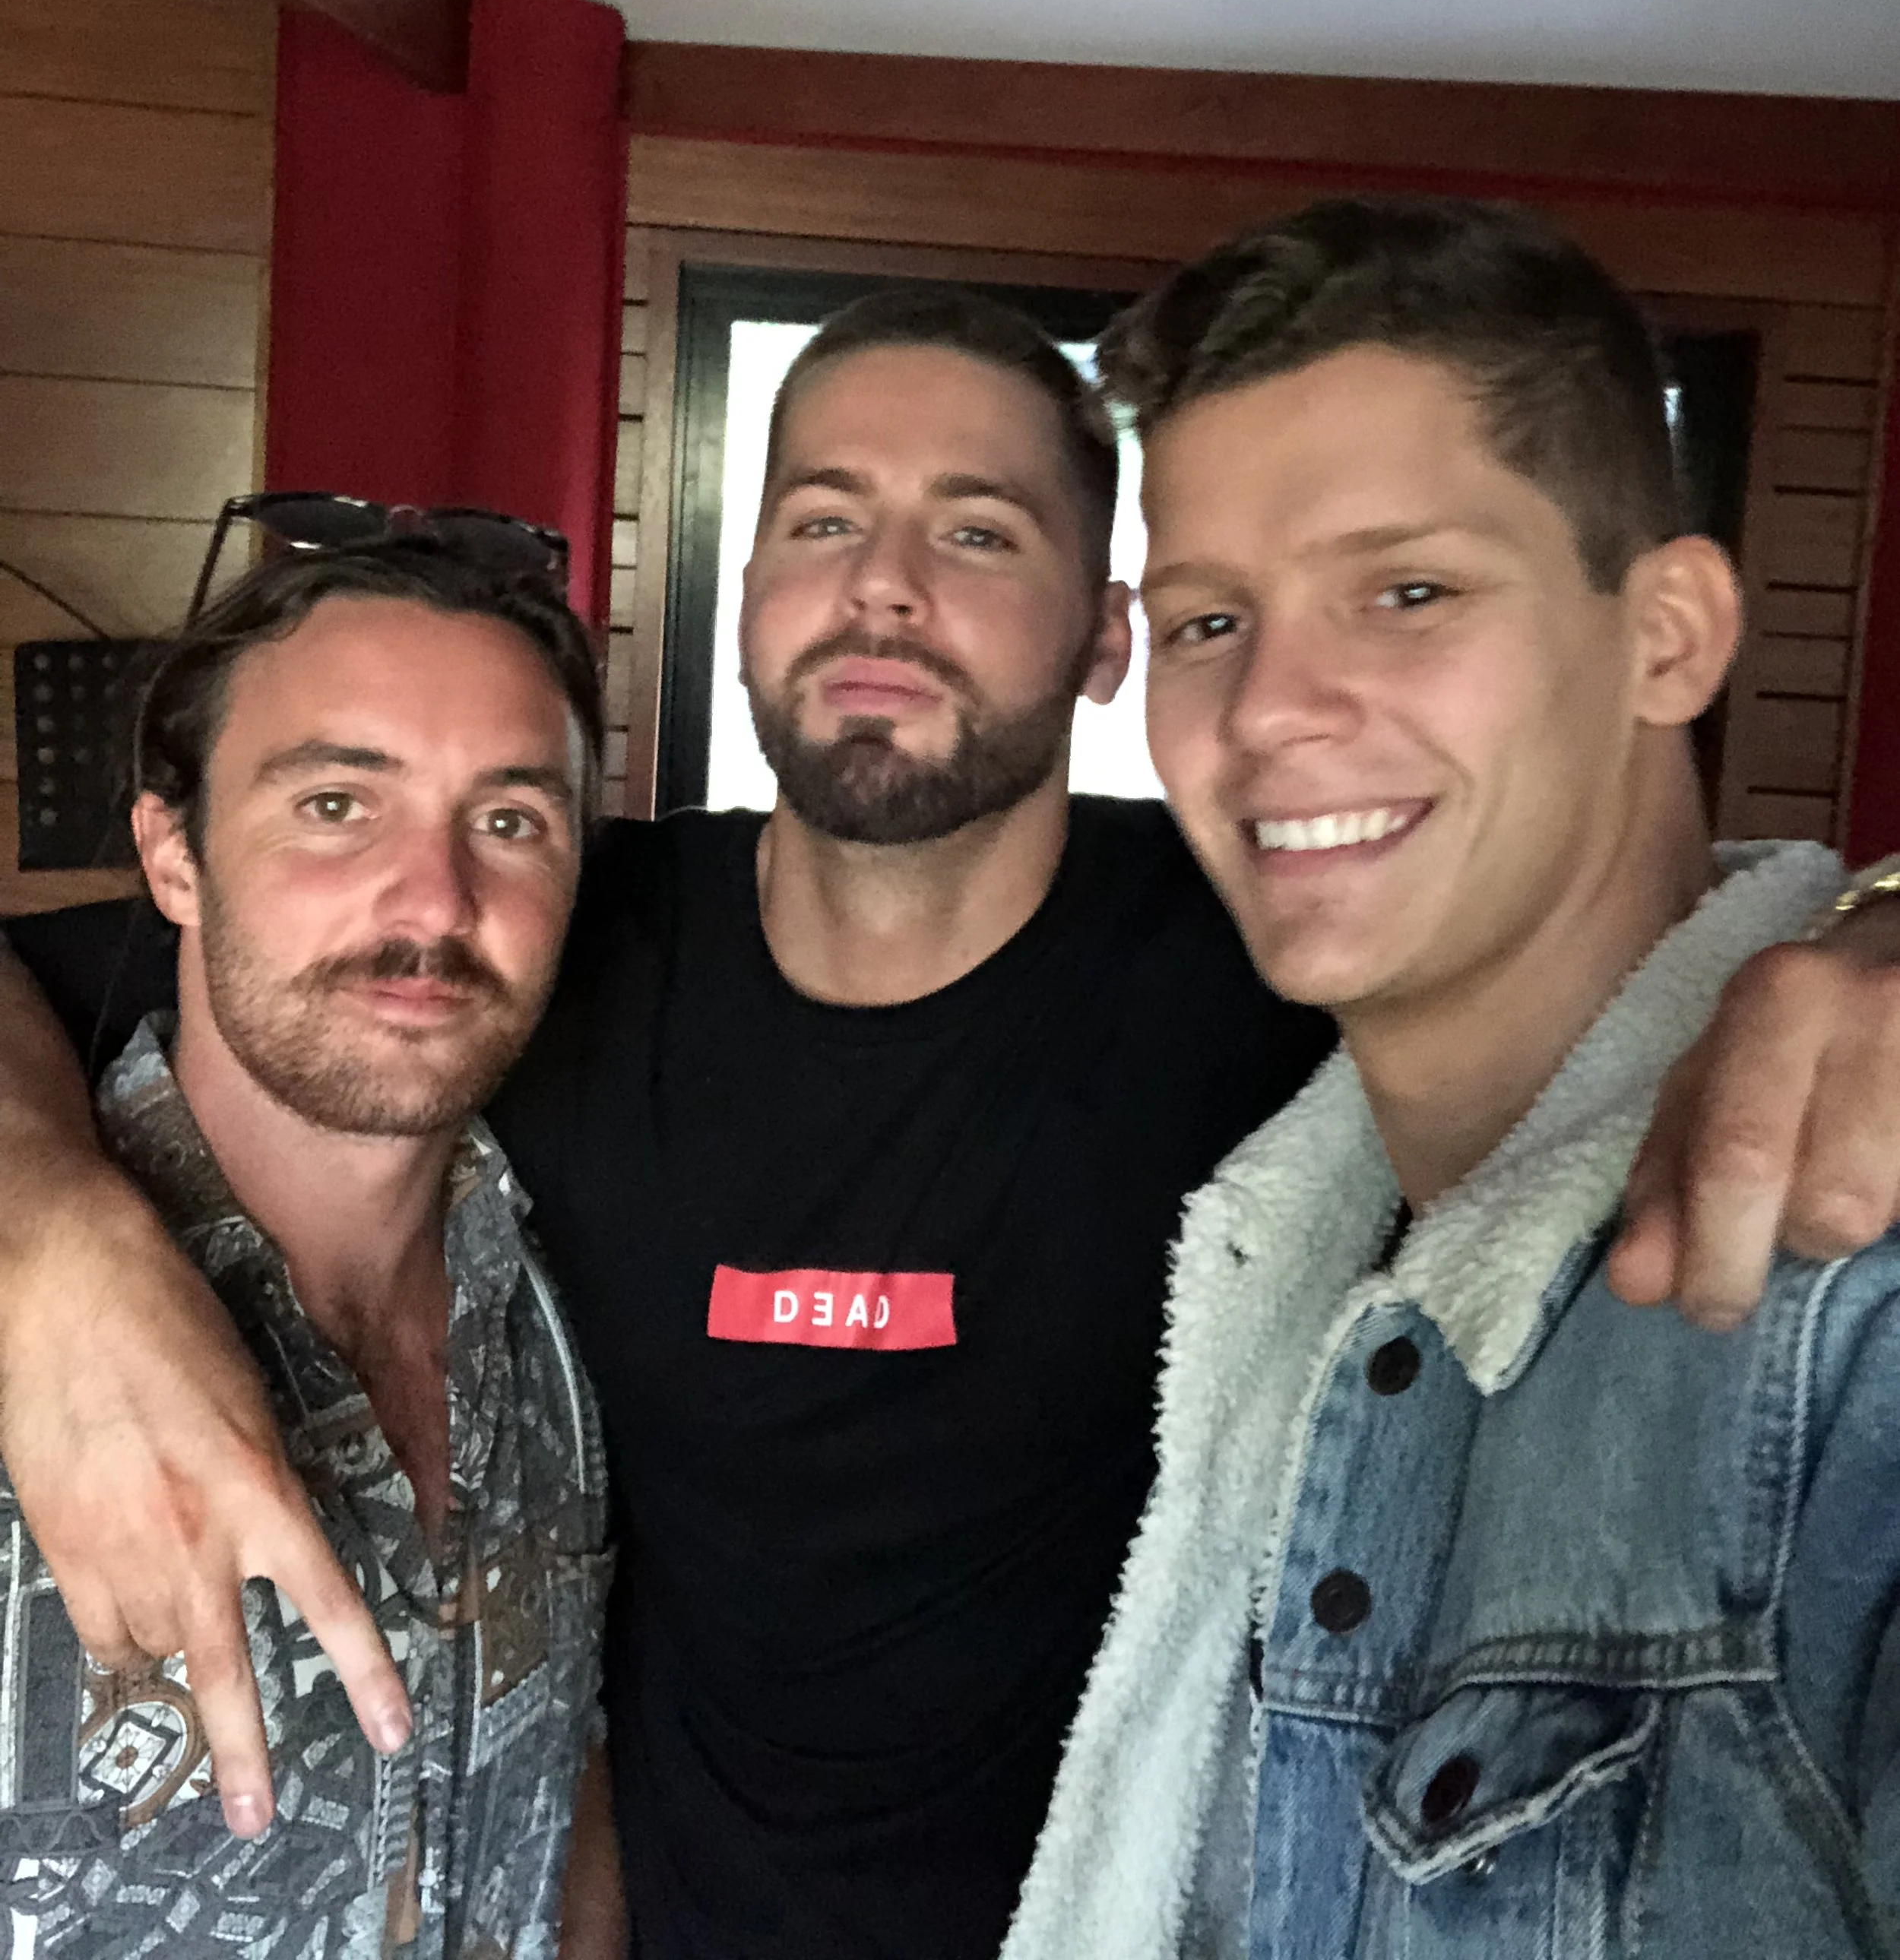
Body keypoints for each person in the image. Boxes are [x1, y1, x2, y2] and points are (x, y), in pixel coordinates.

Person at [2, 288, 1899, 1960]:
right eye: (822, 517)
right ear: (749, 595)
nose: (883, 584)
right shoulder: (530, 936)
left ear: (1102, 639)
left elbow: (1617, 925)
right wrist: (50, 1236)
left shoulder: (1287, 935)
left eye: (975, 531)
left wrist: (1874, 932)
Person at [1002, 199, 1900, 1960]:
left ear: (1666, 635)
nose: (1266, 706)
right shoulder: (1283, 1211)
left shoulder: (1849, 1290)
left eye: (1405, 590)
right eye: (1203, 621)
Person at [0, 539, 619, 1955]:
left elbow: (565, 1787)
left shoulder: (560, 1315)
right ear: (175, 856)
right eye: (337, 804)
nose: (435, 902)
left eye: (511, 821)